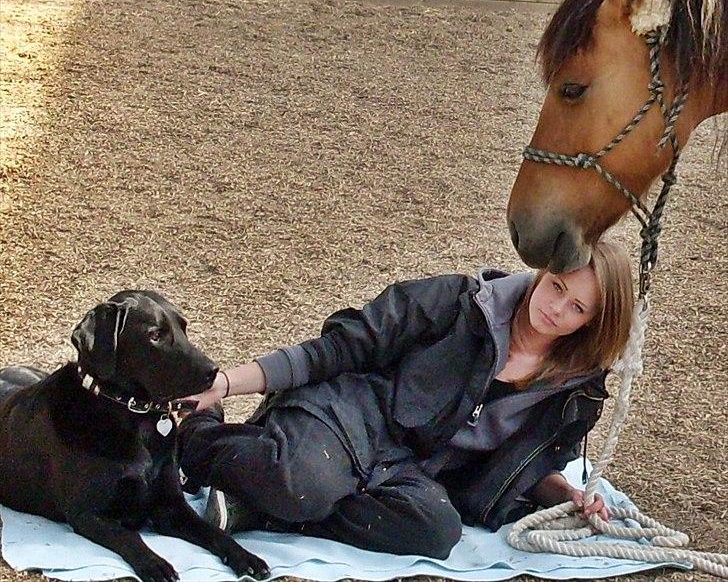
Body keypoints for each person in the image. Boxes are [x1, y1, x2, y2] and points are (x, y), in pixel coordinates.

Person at [177, 240, 634, 560]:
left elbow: (532, 466)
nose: (555, 308)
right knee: (304, 482)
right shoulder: (459, 301)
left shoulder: (575, 389)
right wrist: (226, 383)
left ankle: (266, 508)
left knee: (436, 531)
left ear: (594, 323)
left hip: (413, 468)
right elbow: (339, 348)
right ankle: (201, 433)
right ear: (543, 271)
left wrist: (569, 495)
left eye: (577, 307)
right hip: (347, 414)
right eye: (557, 286)